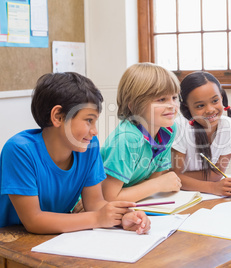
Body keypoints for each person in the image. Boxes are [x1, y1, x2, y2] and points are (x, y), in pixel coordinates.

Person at [0, 72, 150, 234]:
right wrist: (97, 218)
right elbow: (34, 220)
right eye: (88, 120)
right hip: (11, 240)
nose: (94, 131)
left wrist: (125, 217)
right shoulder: (19, 150)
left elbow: (95, 204)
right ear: (58, 117)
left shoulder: (89, 147)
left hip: (56, 237)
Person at [101, 63, 182, 202]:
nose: (172, 105)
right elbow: (108, 198)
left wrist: (156, 184)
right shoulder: (126, 139)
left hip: (132, 202)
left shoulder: (168, 129)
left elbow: (153, 179)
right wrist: (158, 185)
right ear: (134, 105)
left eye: (174, 97)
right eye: (161, 99)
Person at [172, 71, 231, 196]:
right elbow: (173, 177)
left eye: (215, 101)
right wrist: (212, 187)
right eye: (200, 105)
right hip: (179, 195)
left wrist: (185, 178)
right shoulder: (180, 127)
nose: (210, 110)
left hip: (203, 195)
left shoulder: (230, 126)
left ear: (222, 98)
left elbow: (217, 174)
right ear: (187, 107)